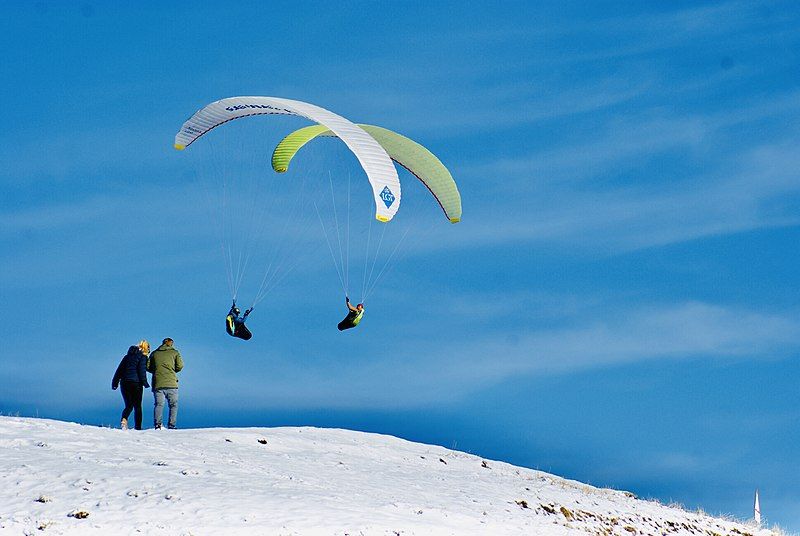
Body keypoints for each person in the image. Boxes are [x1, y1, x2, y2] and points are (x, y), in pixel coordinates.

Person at [112, 341, 150, 430]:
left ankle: (124, 419)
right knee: (137, 406)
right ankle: (138, 427)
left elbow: (119, 370)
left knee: (129, 405)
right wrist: (145, 383)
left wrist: (115, 383)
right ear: (145, 348)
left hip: (124, 383)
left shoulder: (126, 357)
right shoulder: (143, 357)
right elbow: (141, 371)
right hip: (136, 384)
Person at [147, 337, 183, 429]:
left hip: (158, 383)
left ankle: (158, 425)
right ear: (171, 343)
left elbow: (148, 367)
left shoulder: (154, 353)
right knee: (173, 405)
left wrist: (156, 371)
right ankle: (172, 425)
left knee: (159, 405)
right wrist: (172, 370)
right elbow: (180, 366)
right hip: (171, 383)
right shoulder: (175, 353)